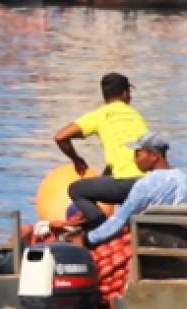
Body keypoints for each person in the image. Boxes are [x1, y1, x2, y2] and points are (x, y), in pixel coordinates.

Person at [73, 132, 187, 248]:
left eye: (138, 154)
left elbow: (119, 221)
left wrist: (87, 239)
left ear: (154, 155)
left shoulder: (146, 184)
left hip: (153, 247)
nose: (135, 159)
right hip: (186, 244)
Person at [54, 72, 149, 226]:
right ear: (126, 94)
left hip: (126, 184)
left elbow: (60, 137)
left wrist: (77, 160)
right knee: (110, 176)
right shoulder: (136, 116)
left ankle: (104, 229)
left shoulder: (100, 116)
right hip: (149, 183)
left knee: (76, 190)